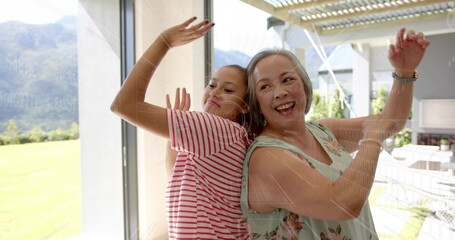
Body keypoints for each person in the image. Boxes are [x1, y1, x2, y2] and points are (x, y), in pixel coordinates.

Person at [240, 28, 429, 239]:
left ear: (304, 84)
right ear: (256, 103)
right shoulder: (267, 157)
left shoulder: (323, 130)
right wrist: (371, 139)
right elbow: (343, 204)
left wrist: (404, 72)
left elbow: (391, 122)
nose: (280, 92)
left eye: (287, 79)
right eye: (265, 87)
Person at [110, 17, 252, 239]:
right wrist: (175, 135)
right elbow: (175, 178)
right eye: (212, 84)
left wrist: (164, 42)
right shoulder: (230, 138)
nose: (214, 92)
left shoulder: (219, 130)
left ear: (244, 105)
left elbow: (123, 105)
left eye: (228, 90)